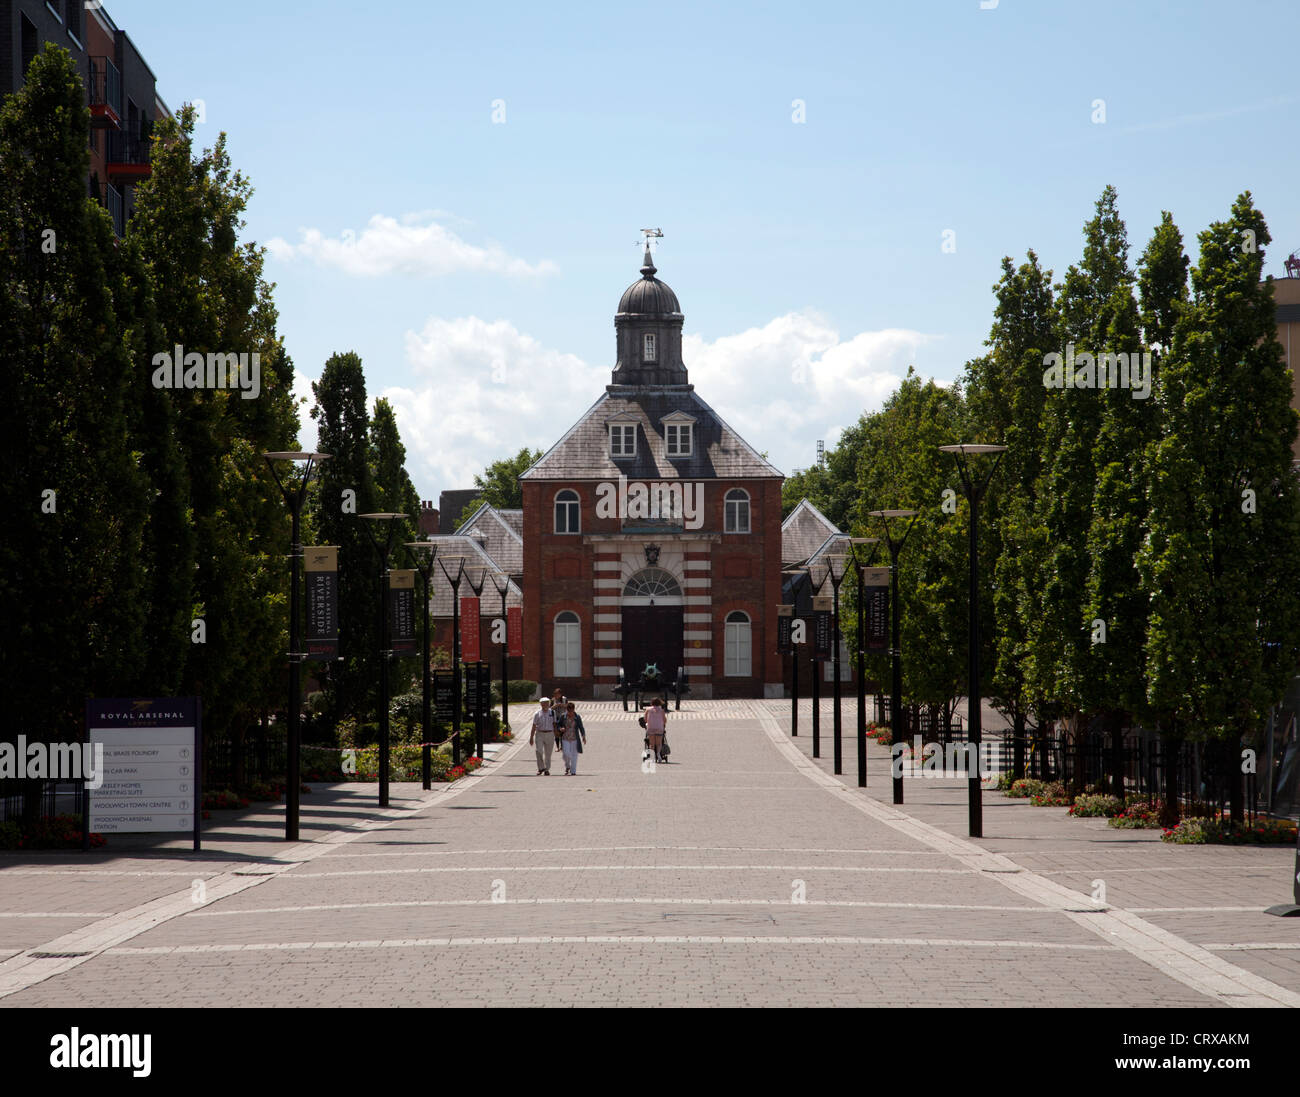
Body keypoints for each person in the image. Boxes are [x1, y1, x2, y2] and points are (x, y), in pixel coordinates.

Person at [530, 698, 556, 775]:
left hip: (550, 733)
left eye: (547, 703)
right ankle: (541, 768)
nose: (545, 705)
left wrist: (556, 734)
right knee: (539, 751)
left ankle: (547, 769)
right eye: (543, 703)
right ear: (541, 704)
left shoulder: (552, 712)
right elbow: (534, 725)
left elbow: (554, 724)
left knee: (548, 753)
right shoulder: (537, 714)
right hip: (540, 734)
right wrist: (531, 737)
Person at [560, 701, 587, 776]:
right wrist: (561, 728)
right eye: (569, 711)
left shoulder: (577, 717)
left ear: (574, 709)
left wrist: (583, 736)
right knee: (566, 753)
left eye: (572, 710)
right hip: (565, 737)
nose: (570, 712)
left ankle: (573, 771)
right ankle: (568, 765)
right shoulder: (563, 716)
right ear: (567, 710)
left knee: (574, 755)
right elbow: (558, 724)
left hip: (575, 738)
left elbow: (581, 727)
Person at [644, 697, 667, 763]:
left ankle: (652, 756)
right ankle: (658, 754)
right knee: (659, 743)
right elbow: (664, 720)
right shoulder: (661, 710)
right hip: (659, 728)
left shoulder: (648, 710)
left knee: (652, 744)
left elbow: (645, 719)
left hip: (651, 728)